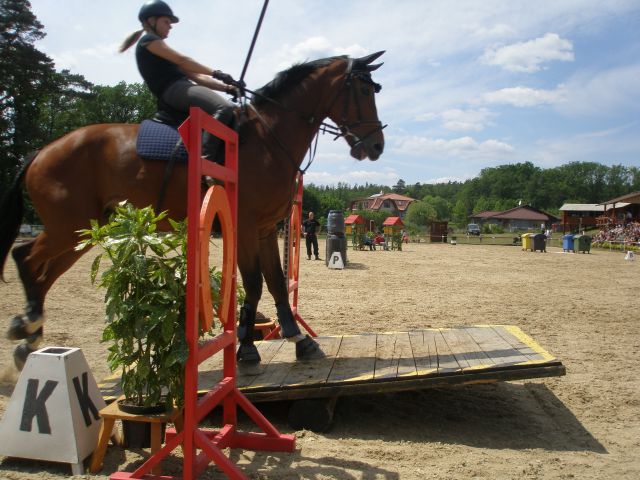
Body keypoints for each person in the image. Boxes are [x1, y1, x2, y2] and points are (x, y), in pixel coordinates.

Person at [120, 0, 240, 160]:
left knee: (231, 110)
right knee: (224, 107)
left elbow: (198, 77)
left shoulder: (162, 50)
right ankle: (205, 160)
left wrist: (228, 88)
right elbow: (183, 60)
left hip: (181, 88)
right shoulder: (148, 40)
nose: (170, 26)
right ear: (151, 21)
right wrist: (217, 73)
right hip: (173, 90)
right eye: (166, 21)